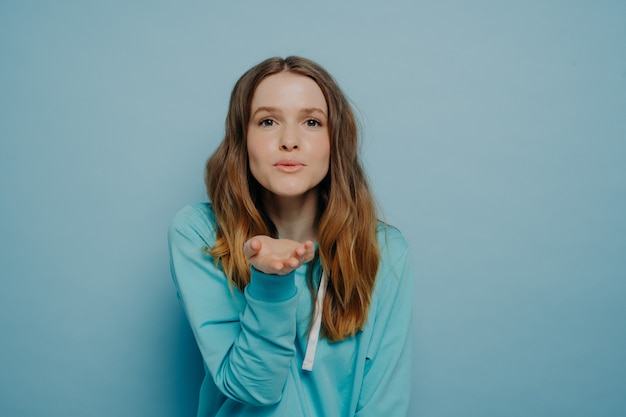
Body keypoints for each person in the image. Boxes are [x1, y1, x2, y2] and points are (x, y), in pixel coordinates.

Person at [168, 56, 413, 417]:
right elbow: (253, 388)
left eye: (312, 122)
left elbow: (384, 403)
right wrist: (271, 281)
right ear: (242, 139)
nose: (289, 141)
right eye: (267, 121)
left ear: (335, 142)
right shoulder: (201, 234)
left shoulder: (385, 251)